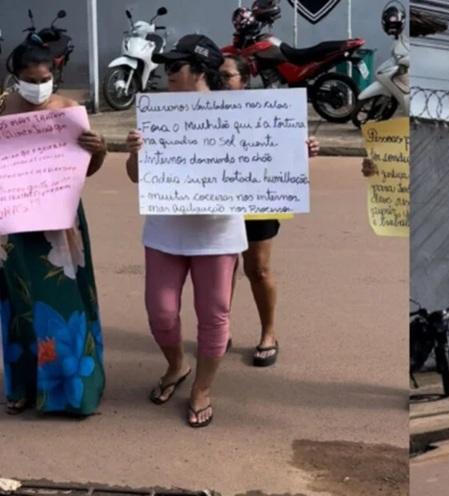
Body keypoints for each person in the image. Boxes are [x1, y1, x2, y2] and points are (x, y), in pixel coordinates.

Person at [125, 34, 246, 428]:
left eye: (174, 67)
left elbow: (269, 167)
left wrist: (300, 152)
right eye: (166, 67)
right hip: (165, 230)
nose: (166, 74)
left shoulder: (242, 113)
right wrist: (134, 153)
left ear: (199, 71)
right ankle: (177, 365)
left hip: (217, 232)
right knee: (161, 313)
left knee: (214, 316)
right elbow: (136, 177)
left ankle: (204, 388)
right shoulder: (157, 114)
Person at [0, 37, 107, 416]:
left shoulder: (69, 111)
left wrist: (98, 150)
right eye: (30, 79)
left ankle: (73, 389)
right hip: (13, 224)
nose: (38, 86)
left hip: (59, 224)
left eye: (44, 78)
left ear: (54, 75)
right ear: (15, 77)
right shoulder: (2, 108)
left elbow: (86, 172)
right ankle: (24, 385)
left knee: (64, 301)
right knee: (20, 303)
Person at [219, 55, 320, 367]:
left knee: (258, 269)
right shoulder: (198, 109)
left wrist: (303, 149)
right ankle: (220, 332)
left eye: (227, 76)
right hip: (216, 201)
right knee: (220, 272)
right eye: (216, 76)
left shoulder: (267, 109)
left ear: (244, 81)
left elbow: (283, 149)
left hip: (257, 199)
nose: (221, 82)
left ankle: (269, 333)